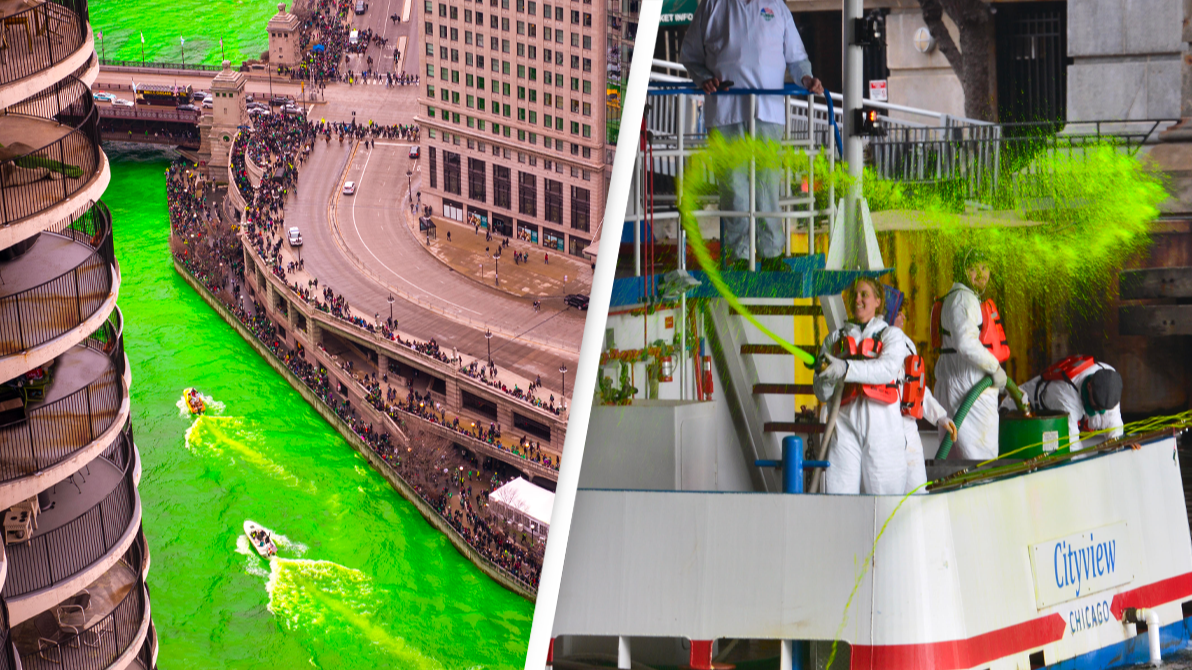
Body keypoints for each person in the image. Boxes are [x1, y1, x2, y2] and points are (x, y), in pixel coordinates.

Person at [679, 0, 823, 271]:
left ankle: (771, 254)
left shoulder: (776, 6)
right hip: (725, 113)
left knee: (767, 183)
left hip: (766, 113)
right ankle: (738, 256)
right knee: (734, 188)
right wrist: (703, 78)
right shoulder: (712, 5)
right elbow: (690, 56)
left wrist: (807, 79)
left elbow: (797, 58)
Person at [814, 278, 908, 494]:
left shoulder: (892, 336)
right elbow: (820, 393)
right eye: (854, 294)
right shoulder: (834, 339)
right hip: (844, 427)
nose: (857, 299)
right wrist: (826, 375)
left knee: (885, 501)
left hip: (883, 430)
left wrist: (845, 368)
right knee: (839, 499)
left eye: (864, 294)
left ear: (877, 301)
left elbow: (886, 370)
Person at [932, 248, 1009, 460]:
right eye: (973, 269)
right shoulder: (965, 299)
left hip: (954, 382)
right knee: (982, 458)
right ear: (962, 271)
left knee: (955, 460)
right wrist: (994, 367)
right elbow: (966, 344)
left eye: (985, 268)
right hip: (969, 385)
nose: (981, 274)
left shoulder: (956, 297)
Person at [999, 356, 1124, 451]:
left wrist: (1119, 446)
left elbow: (1114, 424)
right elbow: (1072, 449)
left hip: (1057, 415)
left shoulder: (1109, 377)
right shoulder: (1066, 395)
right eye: (1096, 406)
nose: (1100, 411)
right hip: (1018, 414)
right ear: (1089, 386)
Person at [894, 309, 956, 493]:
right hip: (885, 427)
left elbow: (918, 388)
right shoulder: (873, 343)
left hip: (909, 429)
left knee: (918, 490)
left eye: (903, 312)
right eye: (897, 312)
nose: (902, 317)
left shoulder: (907, 344)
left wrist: (941, 417)